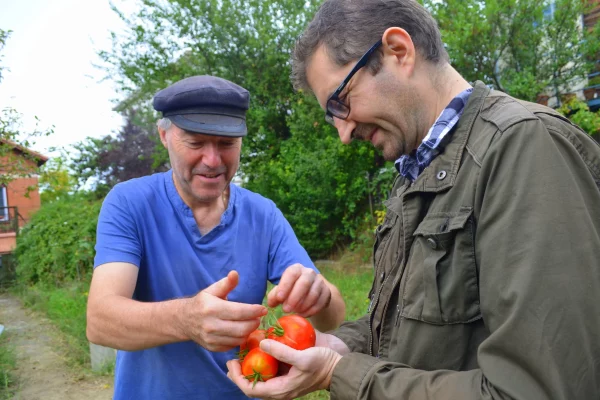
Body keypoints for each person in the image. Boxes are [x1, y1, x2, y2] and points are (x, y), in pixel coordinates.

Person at [226, 0, 600, 399]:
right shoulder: (415, 174)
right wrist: (334, 346)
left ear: (398, 52)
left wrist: (342, 372)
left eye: (340, 102)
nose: (343, 133)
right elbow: (400, 336)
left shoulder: (522, 147)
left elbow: (540, 389)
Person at [86, 75, 346, 400]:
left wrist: (320, 296)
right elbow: (100, 321)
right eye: (195, 142)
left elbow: (332, 318)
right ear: (164, 135)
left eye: (227, 144)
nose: (213, 160)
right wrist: (186, 319)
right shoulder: (129, 202)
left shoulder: (263, 215)